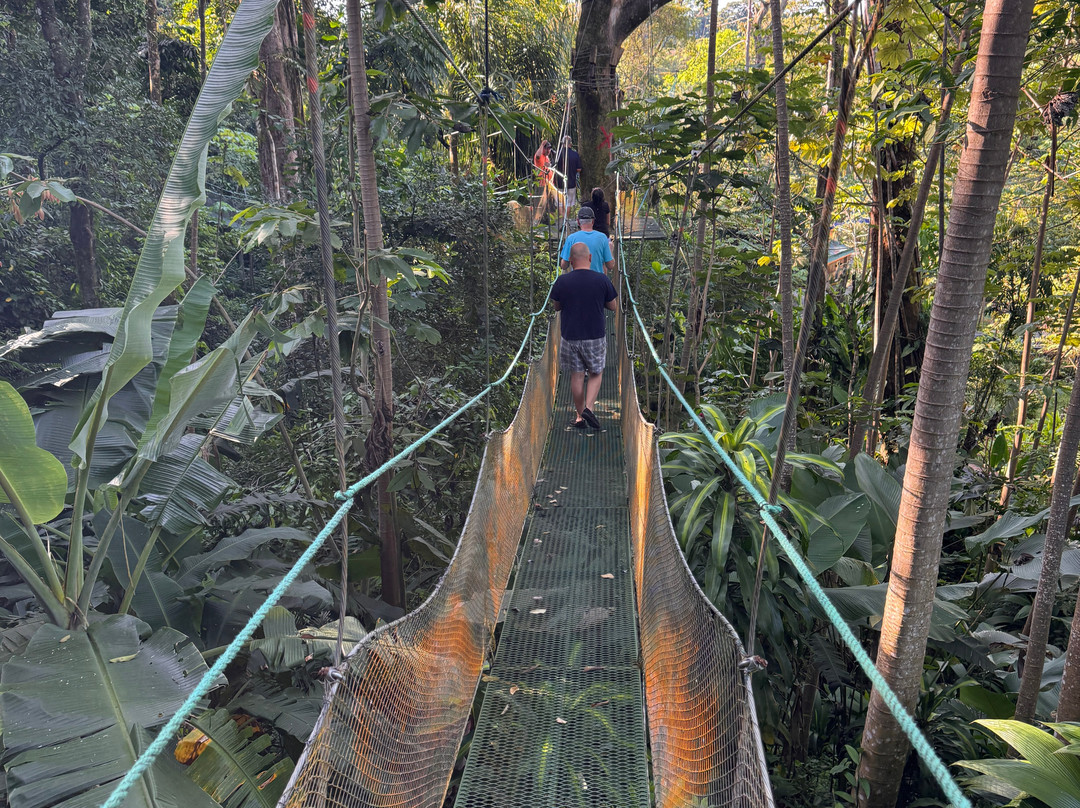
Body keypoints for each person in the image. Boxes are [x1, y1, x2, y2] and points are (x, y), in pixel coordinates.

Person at [551, 242, 618, 430]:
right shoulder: (601, 279)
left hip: (570, 336)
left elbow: (557, 307)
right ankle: (589, 408)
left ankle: (580, 417)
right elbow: (613, 306)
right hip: (594, 336)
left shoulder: (562, 281)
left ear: (571, 261)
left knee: (577, 375)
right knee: (596, 372)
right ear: (590, 258)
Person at [560, 206, 614, 274]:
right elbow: (610, 266)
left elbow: (564, 266)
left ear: (578, 222)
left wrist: (565, 251)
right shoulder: (602, 238)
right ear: (593, 221)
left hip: (577, 279)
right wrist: (610, 250)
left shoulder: (571, 238)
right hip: (597, 279)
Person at [554, 135, 583, 224]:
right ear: (571, 143)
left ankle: (562, 221)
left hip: (559, 183)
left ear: (562, 143)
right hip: (571, 182)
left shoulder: (558, 154)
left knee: (560, 203)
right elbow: (579, 169)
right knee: (569, 203)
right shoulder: (575, 155)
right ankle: (565, 221)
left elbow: (553, 166)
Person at [533, 140, 557, 224]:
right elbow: (537, 156)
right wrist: (542, 145)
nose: (548, 151)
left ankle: (549, 220)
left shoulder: (546, 157)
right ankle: (537, 220)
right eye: (547, 149)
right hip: (541, 184)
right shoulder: (539, 156)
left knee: (550, 203)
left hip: (549, 184)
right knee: (540, 203)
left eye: (549, 149)